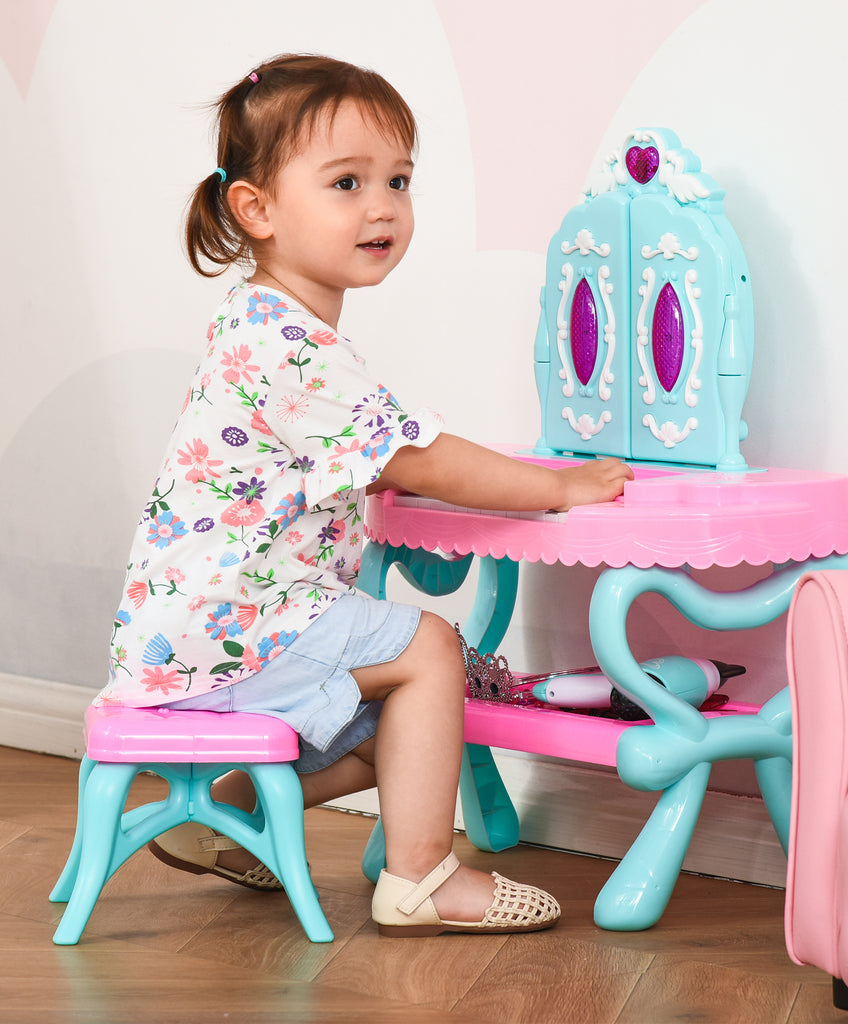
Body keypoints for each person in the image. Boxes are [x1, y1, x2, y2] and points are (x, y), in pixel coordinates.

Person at [96, 54, 633, 936]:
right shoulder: (295, 349)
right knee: (431, 649)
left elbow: (357, 455)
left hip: (192, 626)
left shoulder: (255, 318)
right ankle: (420, 877)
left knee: (399, 717)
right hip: (238, 627)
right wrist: (556, 487)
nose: (382, 206)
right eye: (347, 182)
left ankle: (229, 813)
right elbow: (416, 459)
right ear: (256, 209)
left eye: (398, 181)